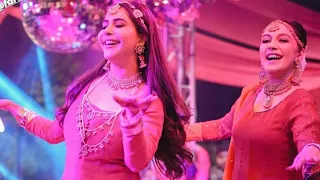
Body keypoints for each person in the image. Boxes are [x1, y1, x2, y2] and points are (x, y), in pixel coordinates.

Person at [0, 1, 193, 179]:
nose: (107, 31)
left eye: (118, 25)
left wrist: (132, 121)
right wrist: (14, 108)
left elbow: (137, 163)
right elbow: (54, 133)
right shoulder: (86, 86)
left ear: (141, 38)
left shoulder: (149, 101)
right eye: (105, 25)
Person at [185, 19, 320, 180]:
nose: (271, 45)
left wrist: (310, 148)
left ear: (299, 54)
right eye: (266, 40)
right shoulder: (249, 94)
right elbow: (221, 127)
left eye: (283, 40)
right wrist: (179, 132)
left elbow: (307, 133)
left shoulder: (300, 99)